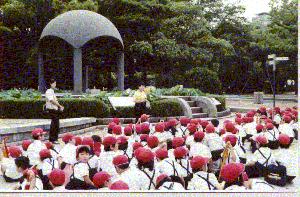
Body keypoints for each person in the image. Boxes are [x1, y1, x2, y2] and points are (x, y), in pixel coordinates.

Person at [45, 79, 64, 144]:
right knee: (54, 124)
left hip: (55, 110)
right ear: (51, 84)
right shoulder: (49, 91)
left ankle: (55, 138)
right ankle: (52, 139)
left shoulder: (52, 91)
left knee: (56, 124)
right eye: (54, 83)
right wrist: (59, 106)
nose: (55, 85)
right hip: (52, 110)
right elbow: (52, 100)